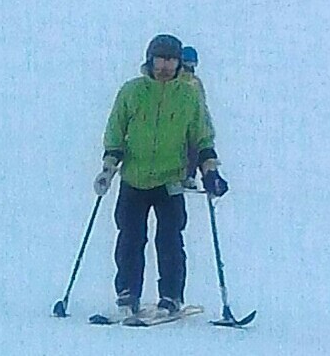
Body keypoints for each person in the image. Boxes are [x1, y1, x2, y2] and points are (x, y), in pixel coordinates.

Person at [93, 34, 228, 322]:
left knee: (169, 240)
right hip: (134, 178)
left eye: (171, 60)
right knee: (129, 238)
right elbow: (115, 132)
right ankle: (128, 293)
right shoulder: (132, 92)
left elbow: (202, 137)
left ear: (179, 63)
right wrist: (108, 167)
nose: (165, 66)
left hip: (171, 180)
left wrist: (210, 170)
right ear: (150, 60)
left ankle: (171, 296)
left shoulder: (189, 96)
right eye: (160, 59)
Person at [178, 45, 211, 190]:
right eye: (186, 64)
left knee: (193, 147)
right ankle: (180, 175)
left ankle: (189, 176)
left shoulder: (196, 83)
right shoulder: (175, 80)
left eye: (192, 65)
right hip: (176, 124)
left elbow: (202, 109)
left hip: (193, 125)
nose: (189, 68)